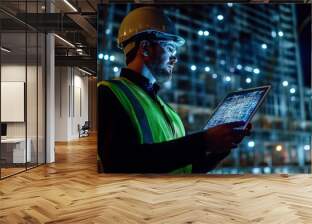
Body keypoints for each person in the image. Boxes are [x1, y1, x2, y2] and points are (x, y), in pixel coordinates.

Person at [97, 6, 251, 173]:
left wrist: (222, 146)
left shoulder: (167, 110)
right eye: (170, 48)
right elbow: (121, 163)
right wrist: (204, 141)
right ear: (145, 47)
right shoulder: (108, 93)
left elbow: (186, 169)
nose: (175, 58)